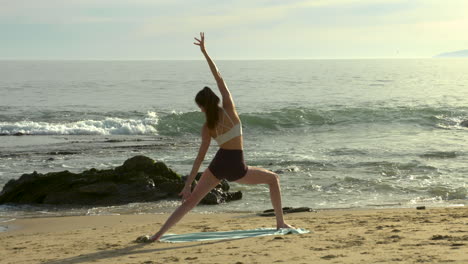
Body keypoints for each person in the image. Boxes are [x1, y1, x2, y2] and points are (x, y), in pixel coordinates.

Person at [142, 32, 293, 242]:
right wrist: (205, 52)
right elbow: (219, 77)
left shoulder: (207, 127)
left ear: (203, 106)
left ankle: (158, 235)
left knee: (191, 201)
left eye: (200, 107)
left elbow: (200, 157)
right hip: (237, 167)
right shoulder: (230, 110)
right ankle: (280, 222)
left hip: (218, 164)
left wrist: (188, 185)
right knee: (273, 179)